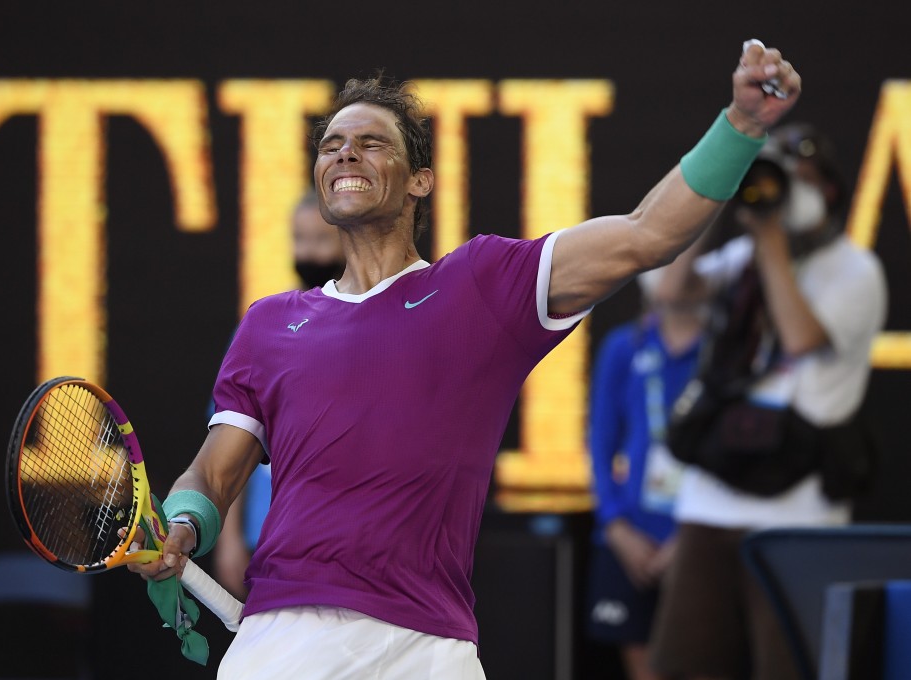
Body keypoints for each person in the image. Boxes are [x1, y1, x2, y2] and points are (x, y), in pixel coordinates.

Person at [129, 41, 802, 679]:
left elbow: (647, 236)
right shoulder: (269, 324)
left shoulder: (481, 284)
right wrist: (182, 521)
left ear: (419, 180)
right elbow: (215, 475)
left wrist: (741, 124)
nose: (346, 154)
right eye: (332, 145)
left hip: (429, 646)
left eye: (371, 143)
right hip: (285, 635)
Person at [646, 121, 887, 680]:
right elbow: (669, 294)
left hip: (798, 508)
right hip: (711, 500)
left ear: (828, 191)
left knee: (790, 664)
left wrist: (772, 242)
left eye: (796, 182)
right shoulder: (740, 256)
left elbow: (801, 337)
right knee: (685, 666)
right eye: (772, 179)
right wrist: (712, 202)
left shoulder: (856, 269)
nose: (779, 193)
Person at [212, 190, 346, 600]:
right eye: (299, 240)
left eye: (321, 240)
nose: (309, 252)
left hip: (346, 543)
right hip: (269, 540)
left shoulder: (382, 324)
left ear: (348, 240)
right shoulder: (265, 326)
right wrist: (228, 539)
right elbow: (233, 443)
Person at [585, 264, 706, 680]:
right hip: (630, 536)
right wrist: (615, 526)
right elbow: (599, 444)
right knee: (644, 665)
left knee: (707, 660)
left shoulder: (723, 351)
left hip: (699, 535)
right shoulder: (624, 347)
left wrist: (692, 537)